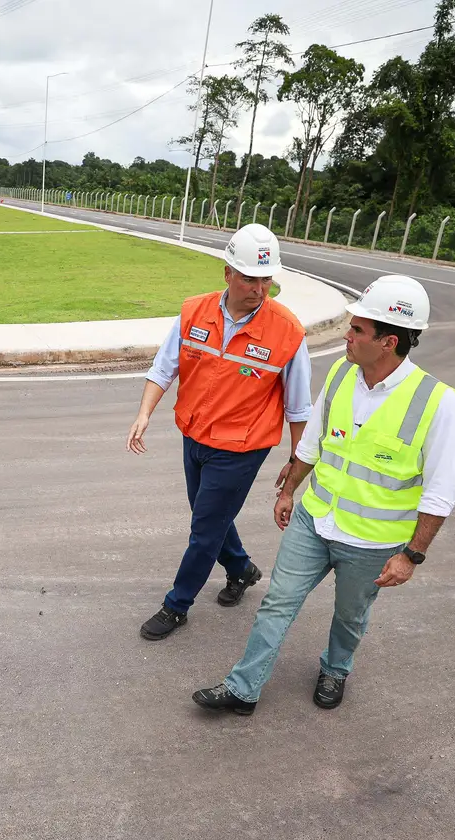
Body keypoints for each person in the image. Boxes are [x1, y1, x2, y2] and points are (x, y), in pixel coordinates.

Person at [192, 273, 455, 715]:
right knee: (277, 604)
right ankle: (243, 688)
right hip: (315, 521)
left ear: (389, 341)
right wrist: (290, 490)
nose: (347, 335)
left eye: (357, 329)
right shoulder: (341, 372)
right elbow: (315, 441)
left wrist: (410, 556)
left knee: (350, 617)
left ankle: (336, 669)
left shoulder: (437, 402)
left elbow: (441, 492)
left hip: (372, 542)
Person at [127, 223, 313, 641]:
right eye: (250, 278)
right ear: (227, 272)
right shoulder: (193, 312)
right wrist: (144, 414)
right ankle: (241, 568)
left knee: (204, 528)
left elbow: (299, 407)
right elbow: (164, 367)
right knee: (207, 513)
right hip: (194, 435)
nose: (260, 289)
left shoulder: (287, 333)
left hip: (241, 448)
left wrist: (296, 463)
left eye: (267, 279)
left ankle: (177, 606)